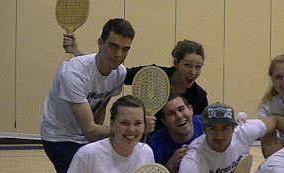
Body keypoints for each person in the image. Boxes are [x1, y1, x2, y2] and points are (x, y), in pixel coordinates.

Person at [41, 18, 135, 173]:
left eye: (125, 49)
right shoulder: (71, 73)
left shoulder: (119, 73)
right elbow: (90, 129)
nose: (118, 54)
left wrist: (103, 142)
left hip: (86, 135)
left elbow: (100, 104)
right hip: (59, 137)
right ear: (100, 43)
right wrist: (130, 129)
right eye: (113, 46)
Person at [63, 35, 208, 131]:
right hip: (139, 140)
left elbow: (197, 130)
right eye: (188, 65)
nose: (193, 72)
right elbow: (114, 71)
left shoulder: (199, 97)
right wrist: (76, 52)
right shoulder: (153, 75)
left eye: (198, 66)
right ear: (176, 63)